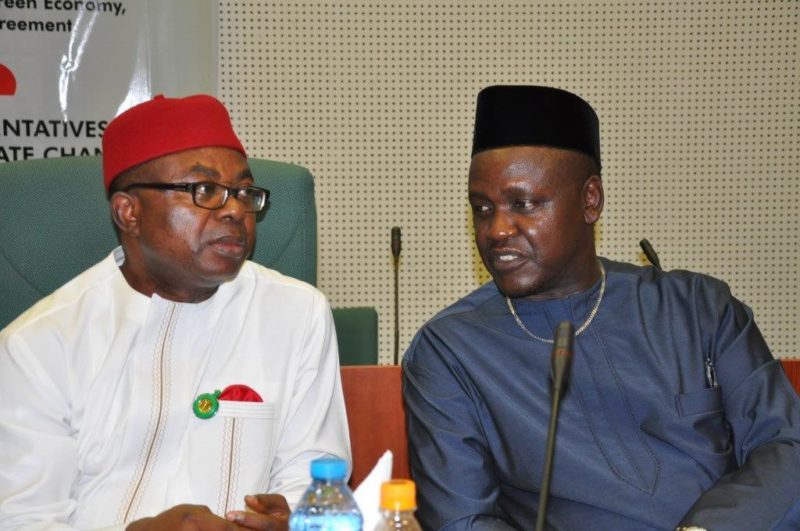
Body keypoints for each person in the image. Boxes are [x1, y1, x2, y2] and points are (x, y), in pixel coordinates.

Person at [402, 85, 800, 530]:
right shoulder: (449, 350)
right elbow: (464, 520)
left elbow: (786, 447)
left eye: (524, 204)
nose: (496, 230)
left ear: (591, 200)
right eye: (482, 208)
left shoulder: (700, 309)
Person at [0, 94, 350, 530]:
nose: (236, 210)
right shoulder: (39, 344)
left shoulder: (297, 315)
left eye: (243, 192)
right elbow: (22, 519)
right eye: (204, 191)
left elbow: (315, 476)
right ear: (128, 212)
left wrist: (295, 521)